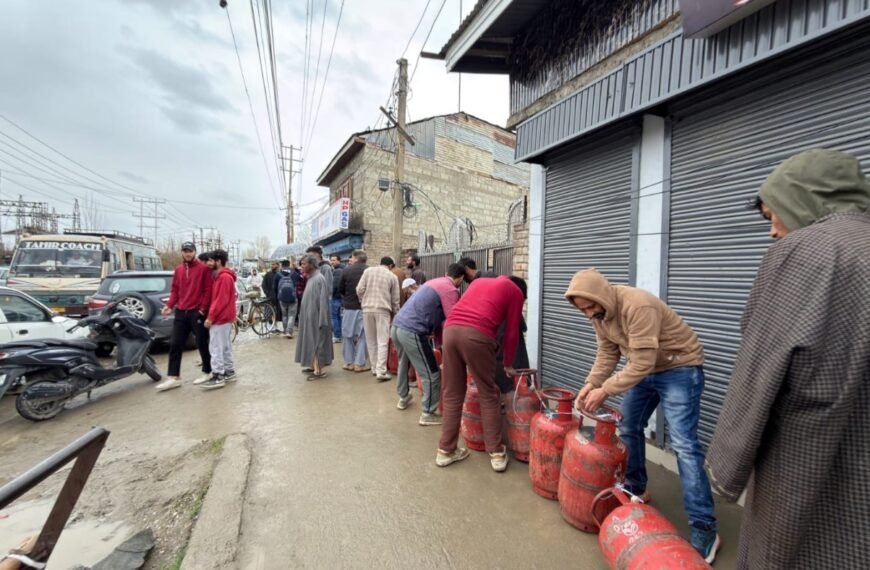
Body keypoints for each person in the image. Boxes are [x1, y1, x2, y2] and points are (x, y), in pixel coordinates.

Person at [706, 149, 870, 570]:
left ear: (802, 199)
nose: (772, 232)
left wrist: (726, 467)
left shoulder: (807, 251)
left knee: (791, 550)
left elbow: (759, 371)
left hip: (809, 460)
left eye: (770, 216)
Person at [565, 268, 718, 561]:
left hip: (680, 368)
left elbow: (644, 361)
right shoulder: (600, 315)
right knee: (629, 426)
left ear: (601, 296)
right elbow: (608, 354)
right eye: (582, 310)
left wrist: (605, 390)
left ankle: (705, 527)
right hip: (645, 368)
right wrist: (590, 384)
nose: (587, 314)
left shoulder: (637, 305)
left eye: (590, 307)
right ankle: (636, 488)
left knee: (684, 445)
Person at [437, 275, 526, 473]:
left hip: (450, 330)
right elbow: (512, 332)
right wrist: (508, 363)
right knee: (489, 393)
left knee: (452, 393)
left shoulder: (478, 282)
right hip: (478, 334)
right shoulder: (516, 292)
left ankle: (445, 451)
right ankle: (496, 453)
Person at [391, 264, 464, 425]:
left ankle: (403, 398)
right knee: (431, 373)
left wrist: (441, 343)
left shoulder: (434, 282)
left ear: (446, 273)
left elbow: (439, 320)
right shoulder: (451, 290)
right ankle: (428, 413)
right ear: (461, 279)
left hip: (397, 326)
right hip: (413, 331)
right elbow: (452, 320)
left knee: (404, 362)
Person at [457, 257, 530, 394]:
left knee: (506, 358)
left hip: (503, 324)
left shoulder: (486, 279)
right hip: (497, 326)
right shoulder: (482, 280)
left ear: (466, 269)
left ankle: (509, 391)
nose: (462, 280)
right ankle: (506, 391)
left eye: (462, 274)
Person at [157, 242, 213, 392]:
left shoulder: (203, 269)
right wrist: (169, 305)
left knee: (202, 342)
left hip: (196, 311)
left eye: (190, 251)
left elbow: (208, 290)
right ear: (182, 252)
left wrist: (202, 309)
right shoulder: (179, 270)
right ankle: (174, 377)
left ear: (195, 252)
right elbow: (175, 290)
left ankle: (208, 371)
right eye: (185, 251)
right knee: (175, 343)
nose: (188, 253)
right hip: (181, 312)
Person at [356, 256, 400, 381]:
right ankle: (381, 371)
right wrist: (395, 314)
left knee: (371, 341)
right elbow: (395, 299)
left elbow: (359, 289)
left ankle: (374, 369)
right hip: (383, 310)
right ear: (391, 266)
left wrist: (363, 301)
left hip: (367, 309)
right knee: (382, 341)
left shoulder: (368, 271)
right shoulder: (392, 276)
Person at [200, 250, 237, 391]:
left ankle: (218, 376)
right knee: (225, 346)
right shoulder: (224, 276)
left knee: (215, 347)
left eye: (211, 260)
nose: (208, 263)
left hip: (221, 318)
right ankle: (229, 372)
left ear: (218, 261)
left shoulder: (223, 278)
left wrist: (210, 317)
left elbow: (219, 300)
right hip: (225, 317)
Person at [295, 255, 333, 380]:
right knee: (311, 341)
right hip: (309, 317)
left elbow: (322, 302)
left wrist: (322, 319)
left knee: (317, 342)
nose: (302, 266)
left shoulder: (319, 279)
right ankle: (313, 366)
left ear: (312, 264)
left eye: (304, 264)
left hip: (316, 318)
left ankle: (318, 370)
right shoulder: (311, 278)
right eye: (301, 264)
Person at [339, 250, 369, 372]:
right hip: (364, 307)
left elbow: (340, 288)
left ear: (355, 258)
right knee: (363, 336)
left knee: (347, 335)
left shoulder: (346, 270)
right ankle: (359, 364)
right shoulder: (369, 270)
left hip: (349, 307)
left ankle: (349, 362)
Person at [275, 259, 299, 338]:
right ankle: (289, 331)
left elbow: (274, 287)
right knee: (292, 315)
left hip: (282, 298)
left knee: (284, 315)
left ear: (282, 265)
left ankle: (285, 331)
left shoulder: (278, 274)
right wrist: (295, 268)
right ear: (289, 264)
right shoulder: (294, 273)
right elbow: (299, 281)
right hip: (293, 297)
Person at [329, 254, 344, 343]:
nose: (332, 262)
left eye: (334, 260)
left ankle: (337, 336)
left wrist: (332, 294)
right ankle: (340, 335)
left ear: (339, 261)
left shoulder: (338, 271)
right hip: (341, 297)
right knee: (339, 316)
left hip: (336, 297)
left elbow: (335, 285)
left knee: (334, 316)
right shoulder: (341, 269)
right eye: (331, 260)